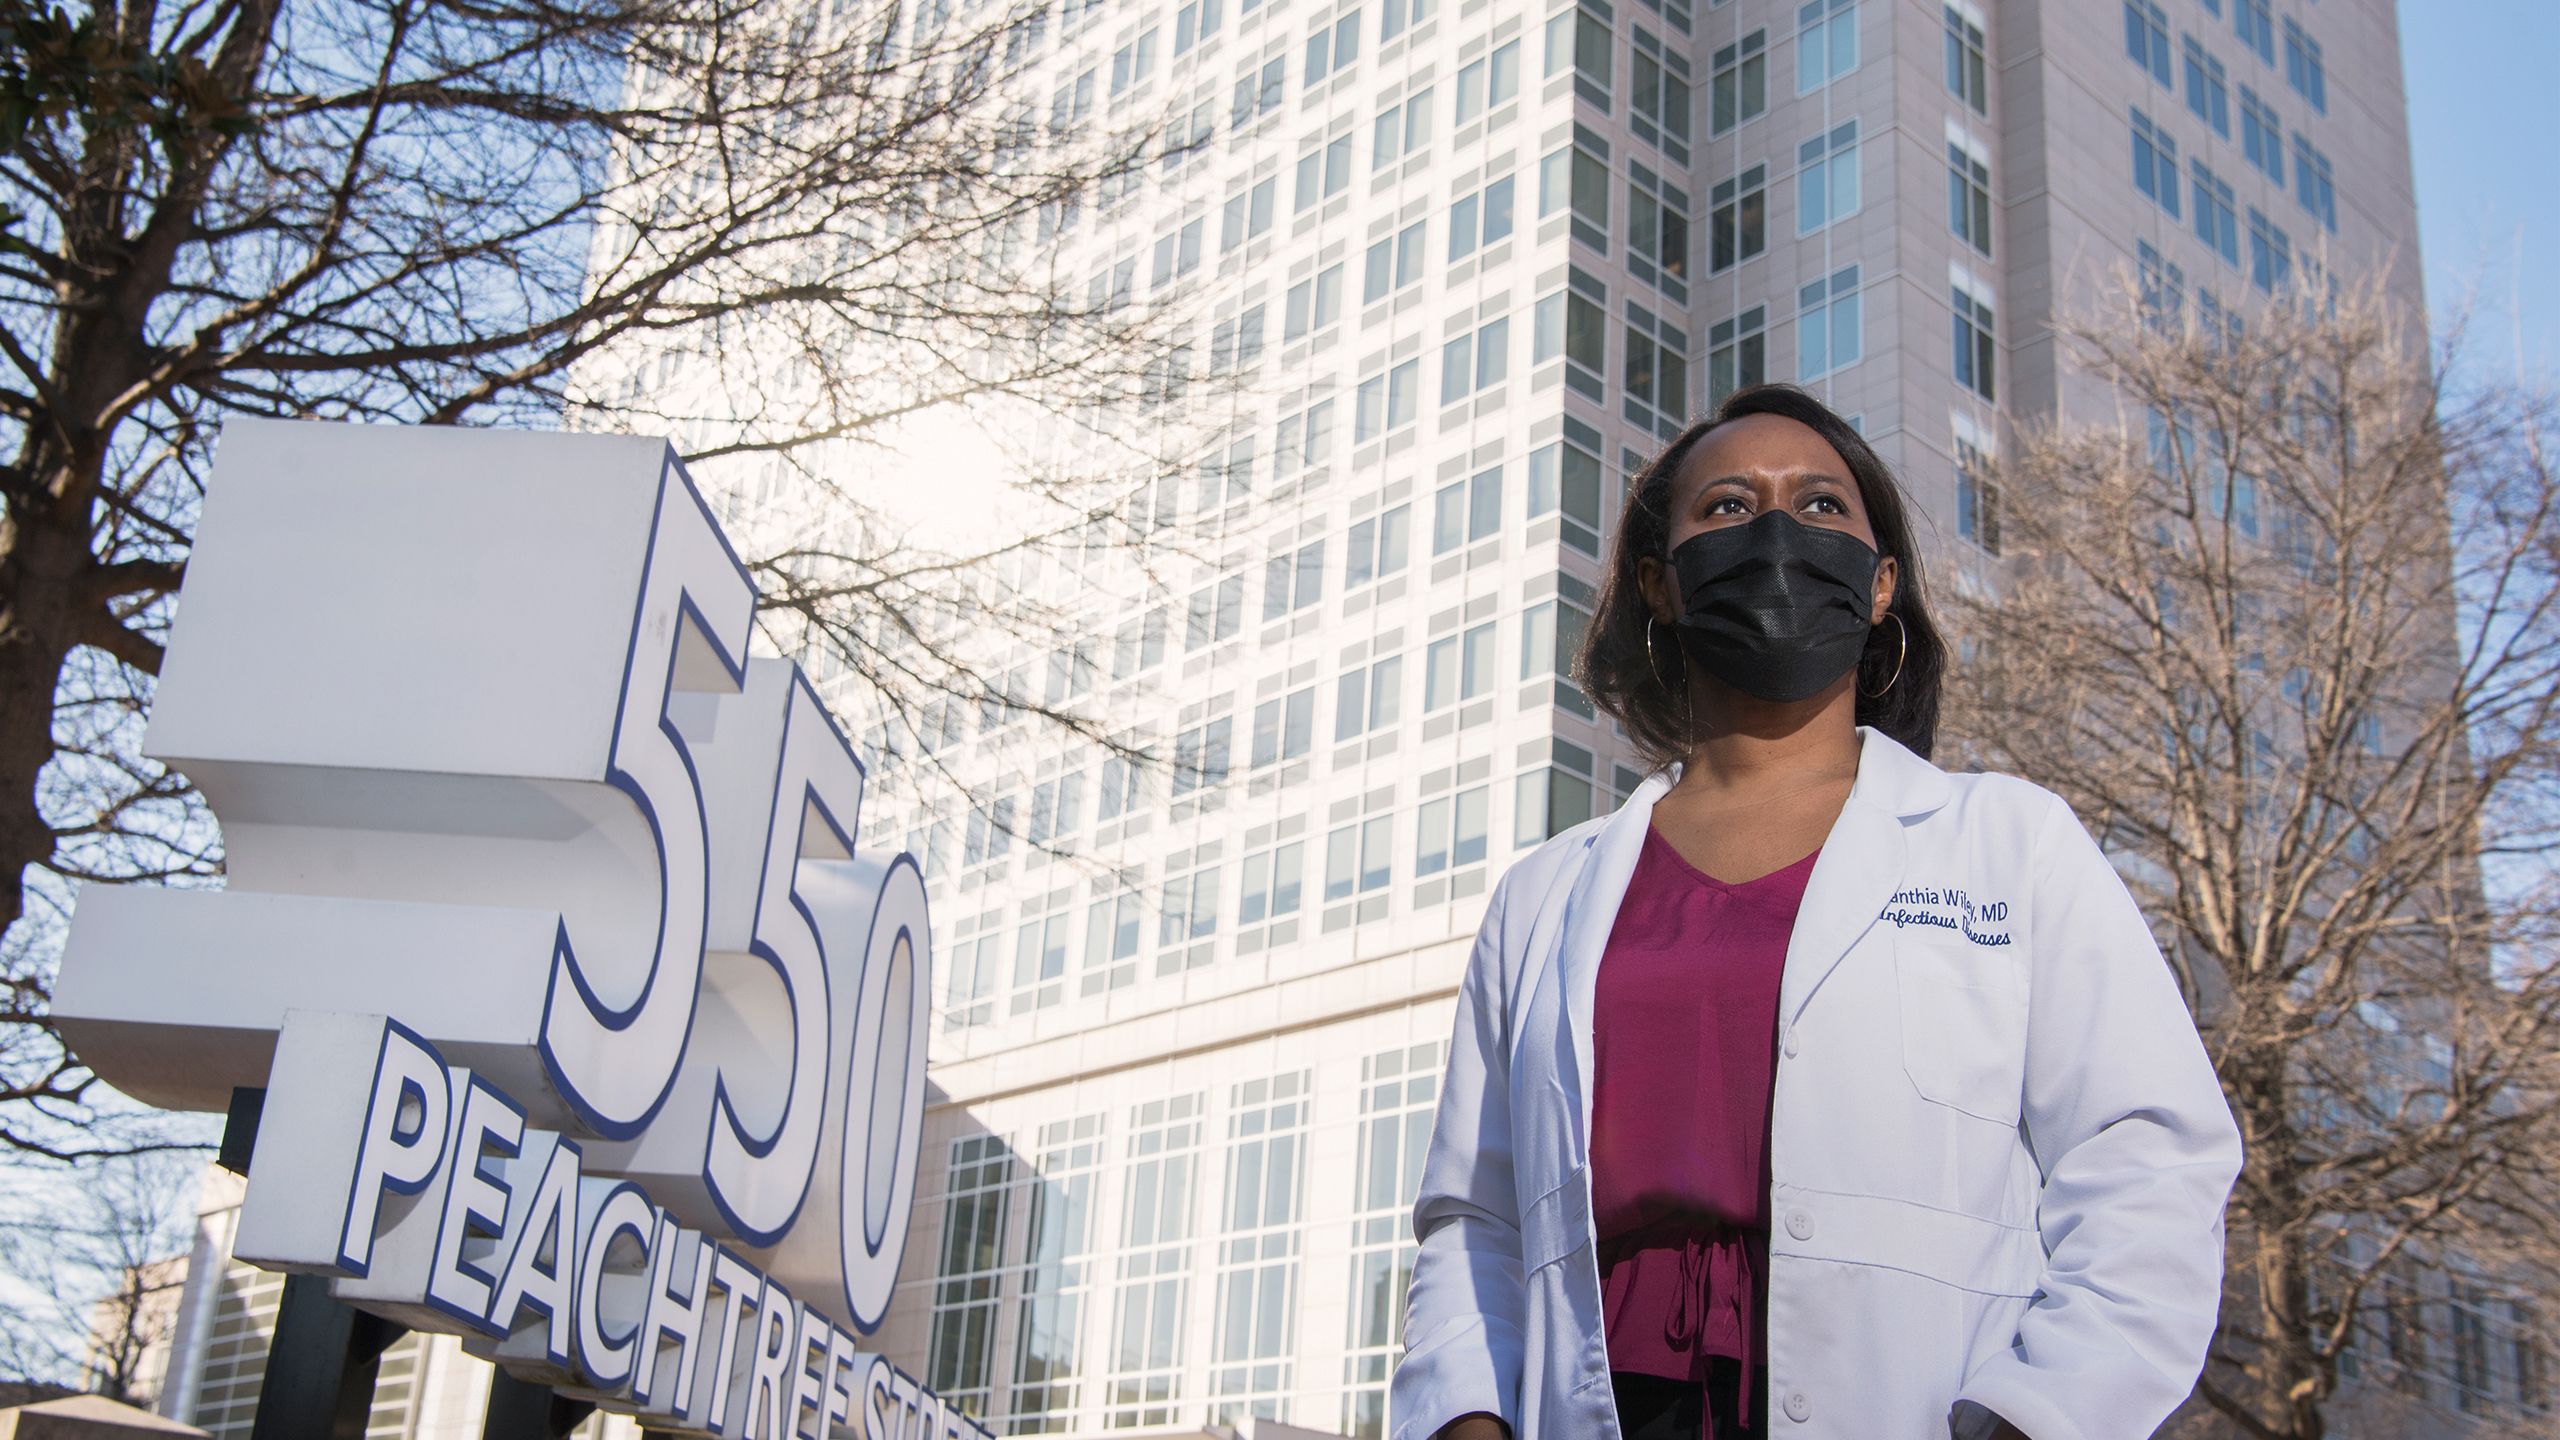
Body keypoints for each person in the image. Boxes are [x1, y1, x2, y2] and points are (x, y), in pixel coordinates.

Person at [1386, 385, 2242, 1440]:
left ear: (1880, 585)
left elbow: (2148, 1159)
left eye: (1822, 506)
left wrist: (2042, 1415)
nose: (1777, 533)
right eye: (1728, 507)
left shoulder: (2010, 844)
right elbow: (1476, 1220)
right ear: (1658, 583)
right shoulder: (1541, 898)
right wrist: (1465, 1422)